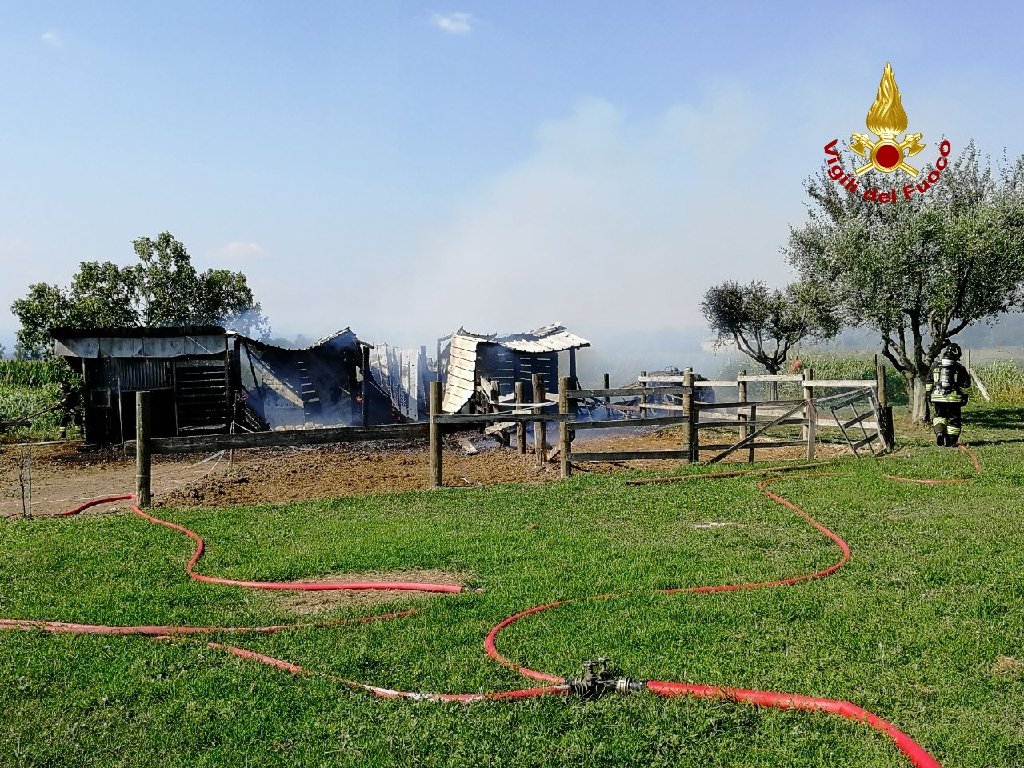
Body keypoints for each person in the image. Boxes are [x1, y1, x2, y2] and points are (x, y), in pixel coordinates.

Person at [926, 342, 971, 447]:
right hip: (953, 399)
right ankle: (951, 441)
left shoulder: (935, 366)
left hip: (937, 397)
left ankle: (939, 432)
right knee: (954, 419)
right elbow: (966, 384)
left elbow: (929, 382)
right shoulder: (959, 367)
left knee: (939, 416)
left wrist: (929, 395)